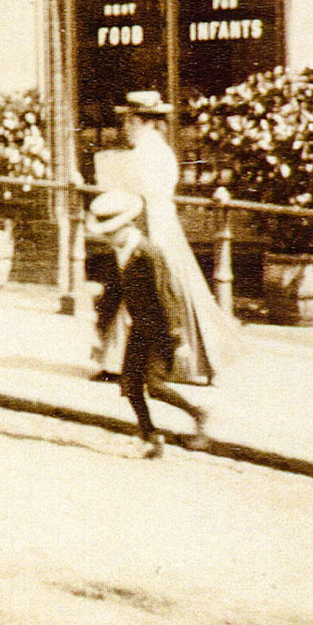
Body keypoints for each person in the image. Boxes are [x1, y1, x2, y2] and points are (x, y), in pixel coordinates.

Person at [90, 90, 239, 386]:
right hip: (154, 222)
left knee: (157, 289)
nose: (126, 128)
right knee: (151, 289)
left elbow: (135, 193)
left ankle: (171, 363)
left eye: (129, 122)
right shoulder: (156, 151)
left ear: (139, 121)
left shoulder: (146, 153)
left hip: (148, 223)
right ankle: (125, 362)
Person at [88, 190, 209, 459]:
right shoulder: (118, 254)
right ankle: (150, 436)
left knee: (154, 386)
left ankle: (198, 414)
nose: (108, 238)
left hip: (162, 330)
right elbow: (112, 295)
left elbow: (168, 296)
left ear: (126, 226)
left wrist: (178, 339)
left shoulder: (149, 253)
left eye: (111, 232)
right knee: (130, 386)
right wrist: (101, 330)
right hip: (139, 329)